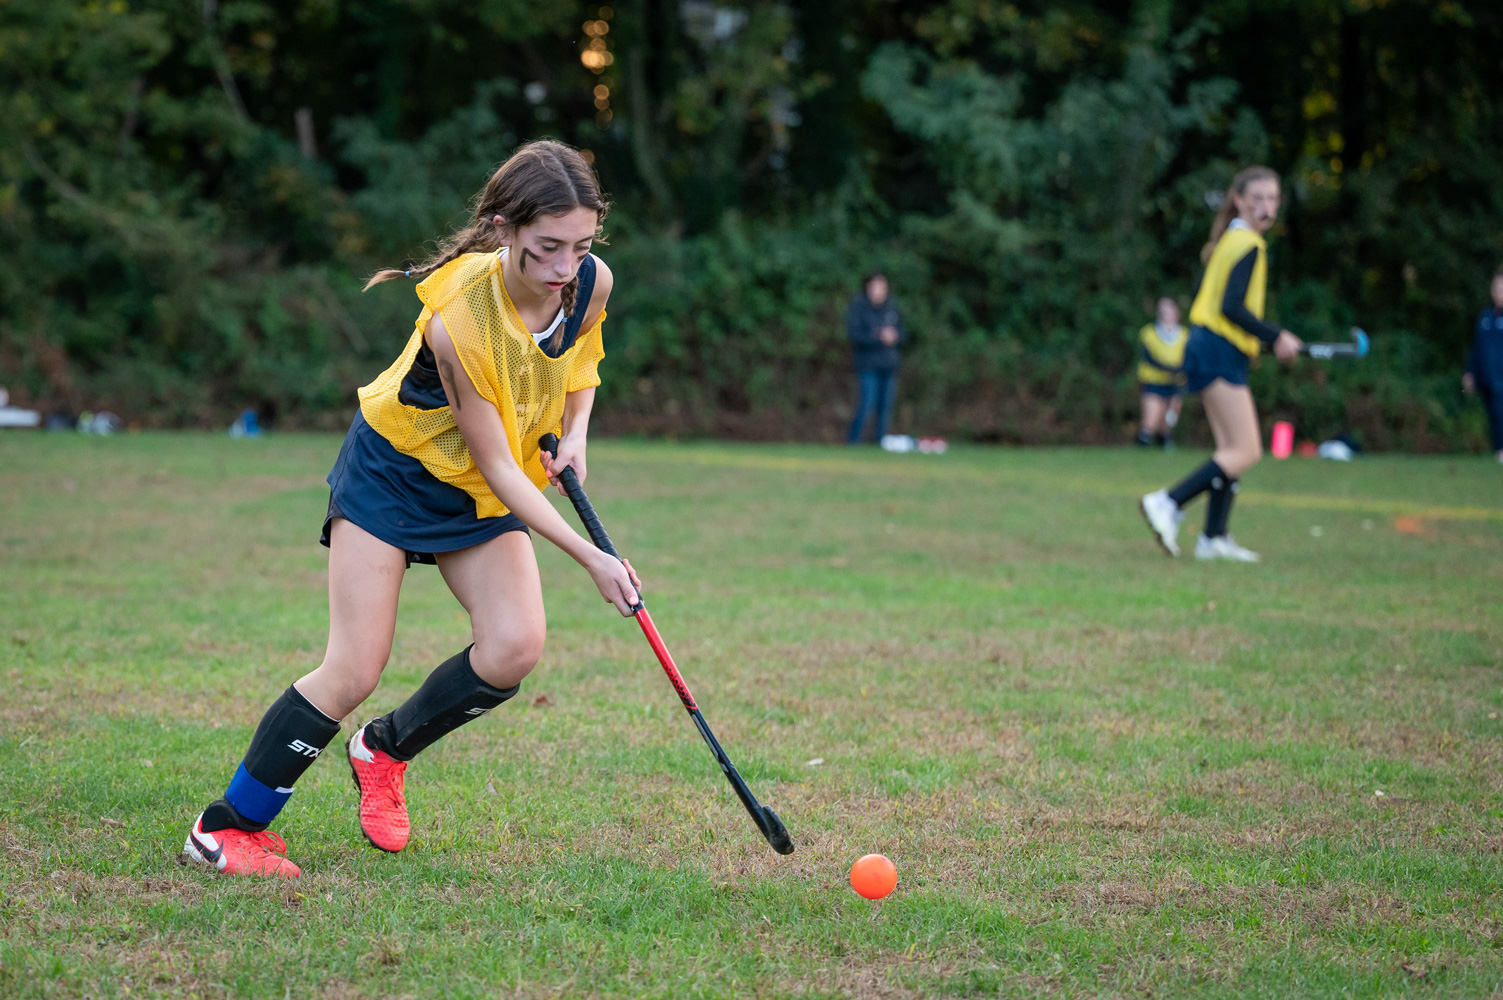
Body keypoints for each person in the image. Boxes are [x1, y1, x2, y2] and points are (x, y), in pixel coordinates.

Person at [181, 140, 642, 878]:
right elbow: (498, 461)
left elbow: (577, 363)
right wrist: (591, 556)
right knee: (354, 666)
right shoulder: (460, 317)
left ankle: (383, 750)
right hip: (394, 475)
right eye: (547, 248)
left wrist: (578, 434)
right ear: (503, 231)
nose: (564, 268)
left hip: (477, 491)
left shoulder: (589, 283)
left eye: (580, 247)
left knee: (513, 646)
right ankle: (224, 829)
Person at [1139, 166, 1303, 562]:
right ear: (1239, 201)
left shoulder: (1229, 239)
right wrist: (1274, 335)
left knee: (1229, 448)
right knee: (1245, 450)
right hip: (1216, 351)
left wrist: (1253, 340)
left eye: (1273, 199)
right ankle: (1168, 502)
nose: (1267, 207)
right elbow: (1231, 307)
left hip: (1208, 347)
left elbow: (1209, 302)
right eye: (1258, 198)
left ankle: (1213, 537)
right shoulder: (1248, 244)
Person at [846, 271, 906, 444]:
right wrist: (878, 336)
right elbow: (854, 335)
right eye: (875, 286)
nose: (879, 290)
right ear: (868, 287)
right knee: (866, 405)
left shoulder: (891, 308)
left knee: (884, 408)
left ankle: (879, 443)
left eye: (882, 287)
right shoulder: (859, 307)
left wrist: (895, 336)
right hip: (867, 365)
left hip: (889, 365)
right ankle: (853, 442)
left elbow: (903, 333)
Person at [1135, 297, 1188, 449]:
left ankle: (1165, 441)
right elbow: (1148, 358)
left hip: (1176, 382)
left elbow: (1188, 357)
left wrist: (1181, 371)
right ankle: (1142, 444)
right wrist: (1171, 370)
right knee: (1151, 420)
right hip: (1153, 381)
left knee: (1170, 418)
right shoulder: (1149, 333)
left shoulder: (1184, 334)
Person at [1462, 270, 1503, 463]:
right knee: (1493, 416)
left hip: (1501, 378)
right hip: (1486, 378)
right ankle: (1498, 451)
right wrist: (1470, 373)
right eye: (1496, 287)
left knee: (1500, 412)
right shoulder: (1485, 317)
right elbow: (1476, 348)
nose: (1499, 291)